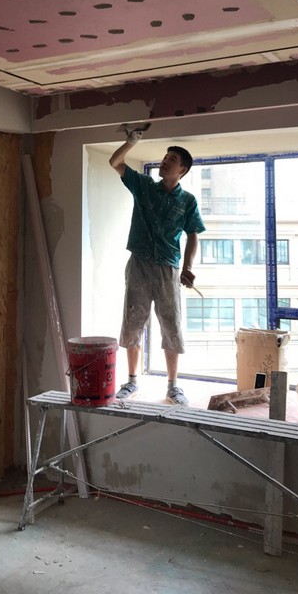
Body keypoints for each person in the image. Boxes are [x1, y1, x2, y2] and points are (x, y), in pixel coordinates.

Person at [109, 129, 206, 406]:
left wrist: (187, 267)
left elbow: (193, 235)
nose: (164, 161)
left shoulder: (187, 201)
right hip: (139, 263)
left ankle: (173, 386)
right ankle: (131, 381)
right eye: (164, 157)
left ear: (182, 170)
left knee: (170, 325)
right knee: (133, 321)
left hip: (167, 268)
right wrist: (131, 142)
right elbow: (115, 162)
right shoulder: (143, 185)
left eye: (171, 159)